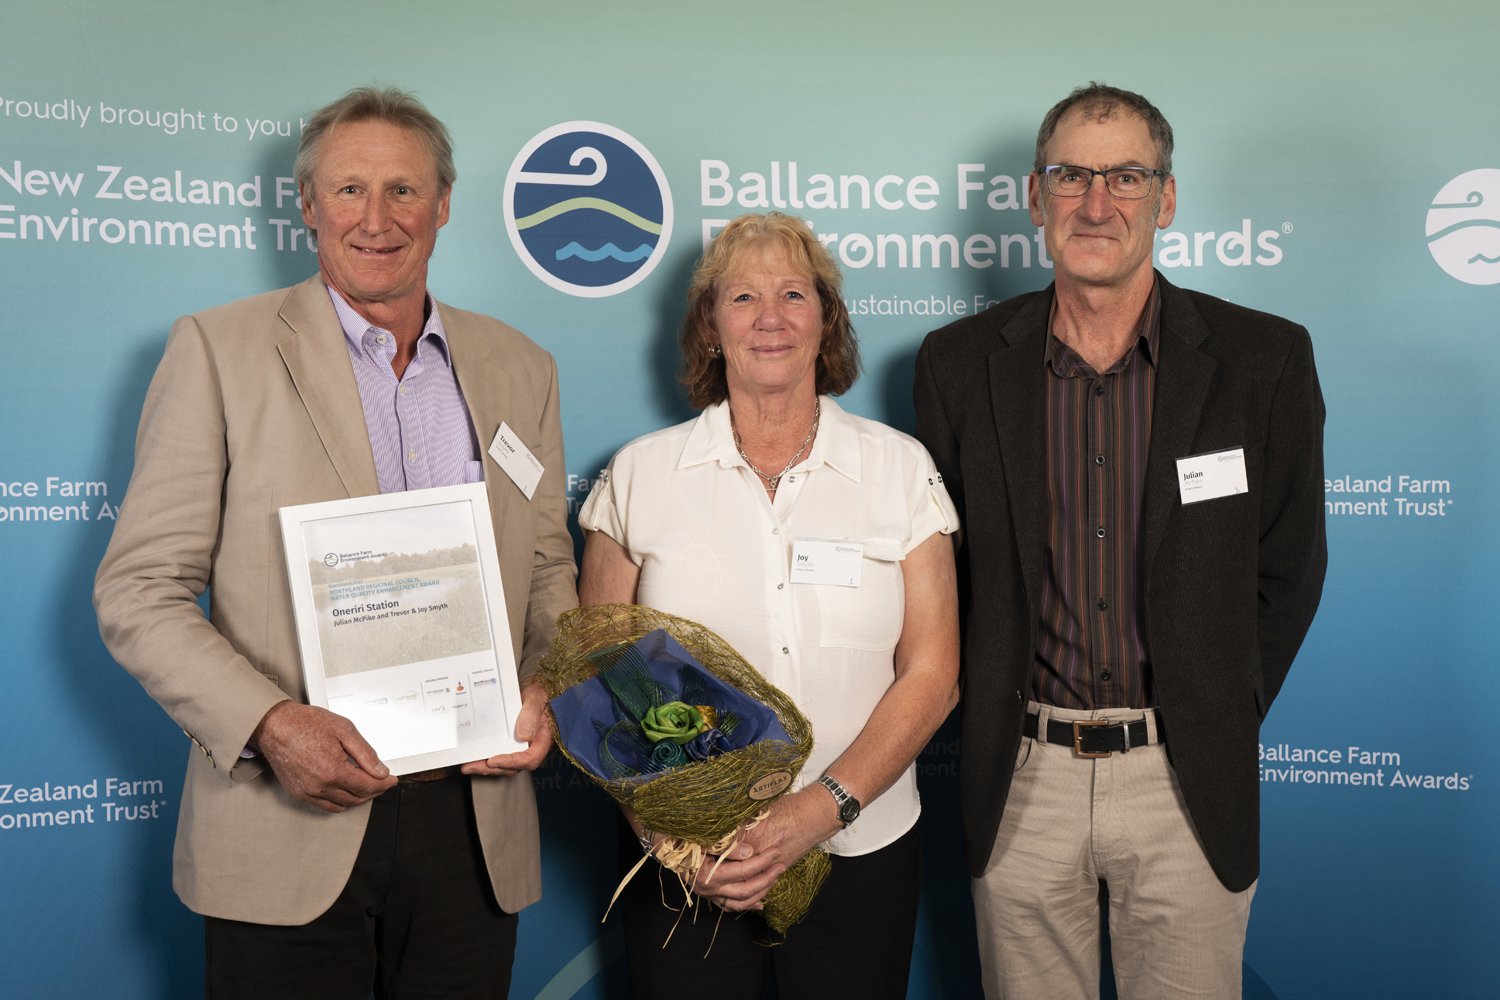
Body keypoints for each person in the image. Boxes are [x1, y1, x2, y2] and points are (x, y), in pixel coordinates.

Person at [93, 86, 576, 998]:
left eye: (404, 190)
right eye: (349, 191)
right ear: (308, 207)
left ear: (442, 204)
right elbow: (140, 589)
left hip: (474, 830)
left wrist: (547, 685)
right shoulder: (218, 350)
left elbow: (549, 570)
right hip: (289, 821)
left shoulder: (521, 365)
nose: (377, 218)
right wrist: (272, 726)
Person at [914, 83, 1326, 1000]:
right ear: (1034, 196)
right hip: (1021, 780)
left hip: (1184, 779)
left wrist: (1212, 704)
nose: (1096, 203)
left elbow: (1288, 567)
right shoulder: (957, 366)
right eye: (1071, 175)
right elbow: (947, 574)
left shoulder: (1264, 361)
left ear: (1166, 200)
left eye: (1127, 176)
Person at [576, 212, 960, 999]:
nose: (771, 317)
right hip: (689, 870)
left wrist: (823, 809)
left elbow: (933, 671)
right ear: (711, 325)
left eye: (794, 293)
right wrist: (677, 839)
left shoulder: (899, 469)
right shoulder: (641, 475)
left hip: (862, 850)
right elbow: (599, 677)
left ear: (828, 318)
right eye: (744, 297)